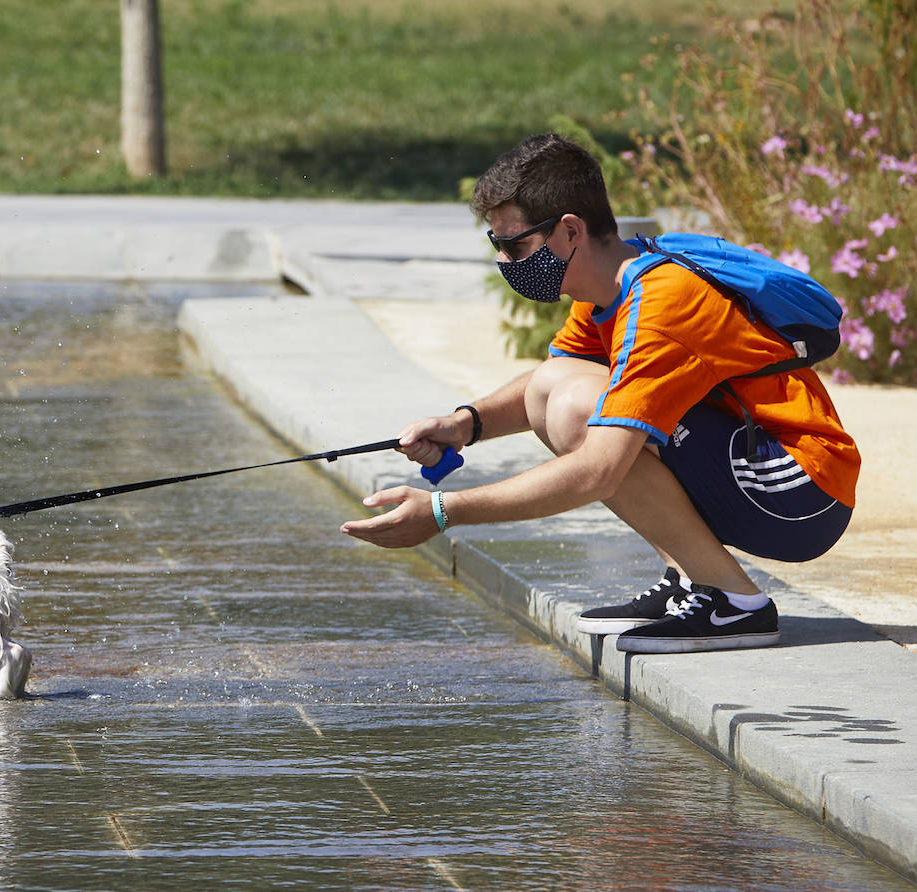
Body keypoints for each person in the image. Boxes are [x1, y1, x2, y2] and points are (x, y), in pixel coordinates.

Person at [340, 133, 860, 653]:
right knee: (554, 388)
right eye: (495, 245)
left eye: (515, 245)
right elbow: (554, 377)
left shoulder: (661, 304)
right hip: (754, 463)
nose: (503, 260)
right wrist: (465, 424)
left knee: (577, 412)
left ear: (569, 232)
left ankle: (734, 603)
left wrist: (441, 512)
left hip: (796, 491)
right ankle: (690, 577)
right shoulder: (612, 283)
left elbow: (599, 470)